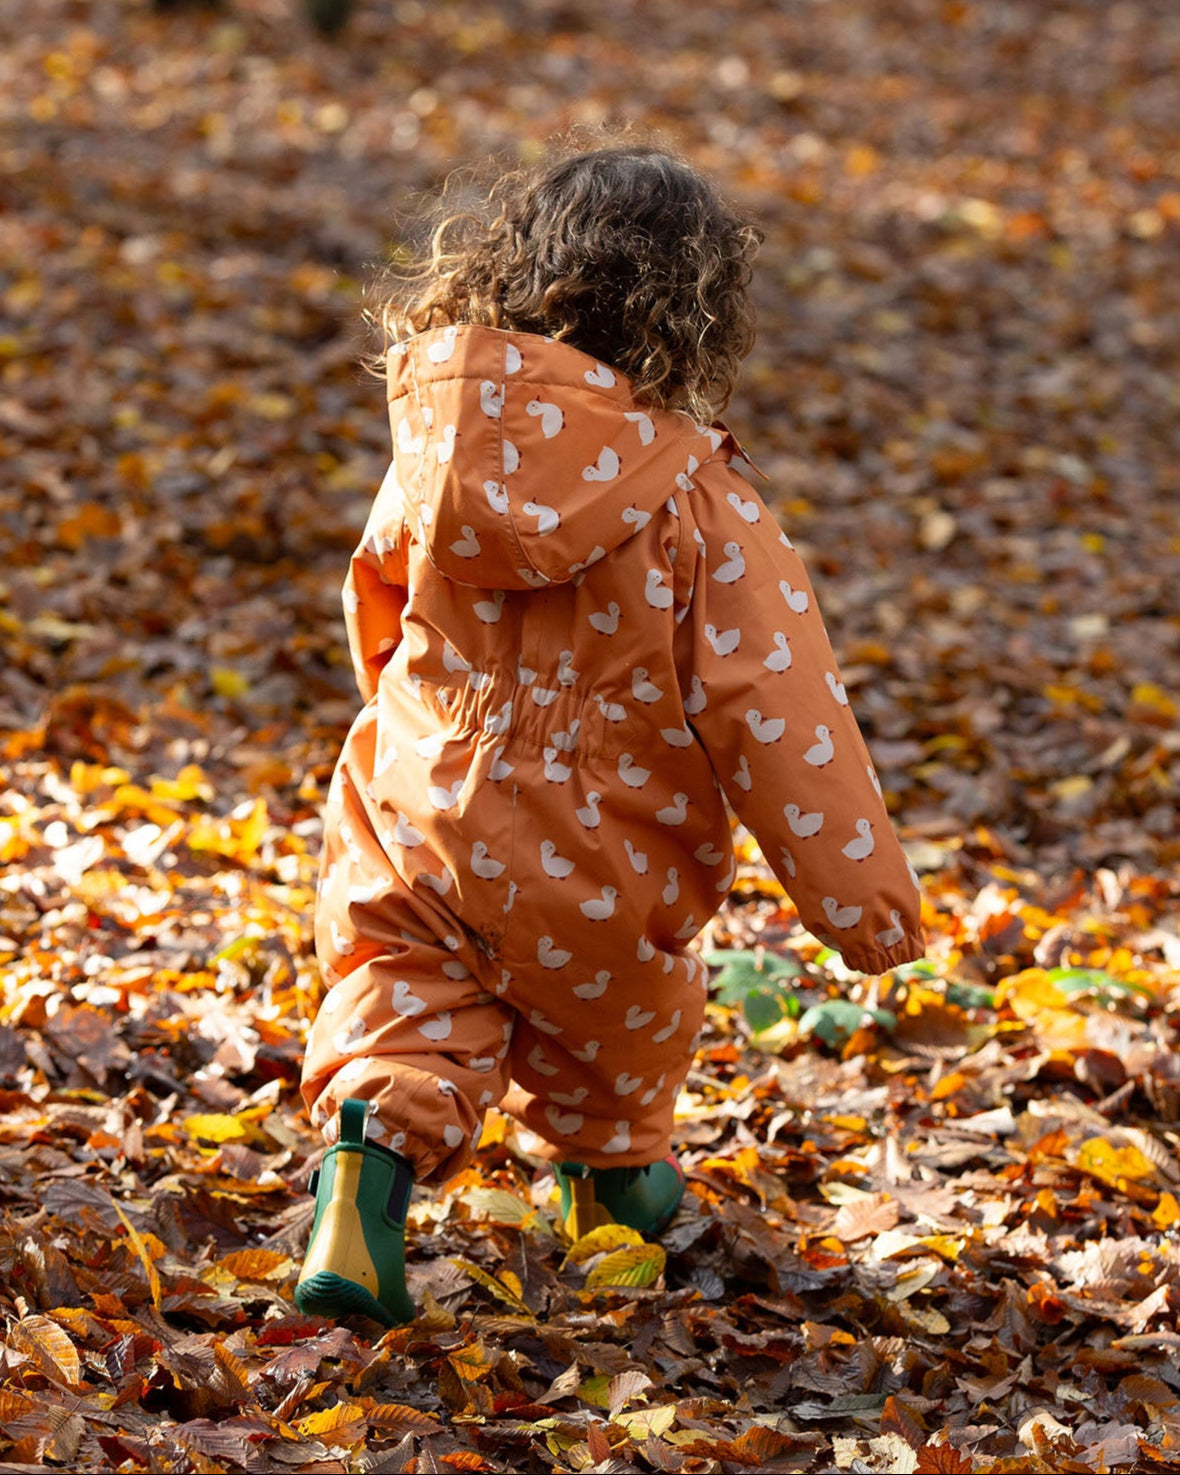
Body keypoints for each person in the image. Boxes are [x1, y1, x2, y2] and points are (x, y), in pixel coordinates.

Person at [295, 141, 925, 1325]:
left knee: (404, 992)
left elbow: (373, 599)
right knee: (620, 1025)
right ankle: (613, 1175)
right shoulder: (698, 498)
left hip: (419, 793)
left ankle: (357, 1189)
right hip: (603, 848)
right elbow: (781, 714)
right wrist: (864, 904)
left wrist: (410, 722)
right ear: (688, 313)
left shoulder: (441, 448)